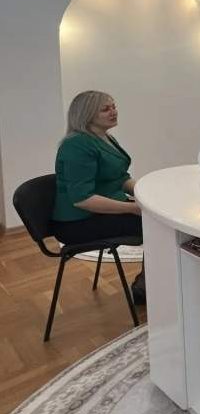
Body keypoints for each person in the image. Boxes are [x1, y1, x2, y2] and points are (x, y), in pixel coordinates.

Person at [52, 91, 145, 304]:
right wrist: (133, 208)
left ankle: (153, 284)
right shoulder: (76, 145)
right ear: (87, 114)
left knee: (157, 220)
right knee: (157, 227)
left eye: (113, 106)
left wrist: (145, 193)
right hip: (77, 222)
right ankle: (146, 288)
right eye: (105, 109)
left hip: (100, 210)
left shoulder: (105, 138)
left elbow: (119, 178)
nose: (113, 112)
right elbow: (82, 199)